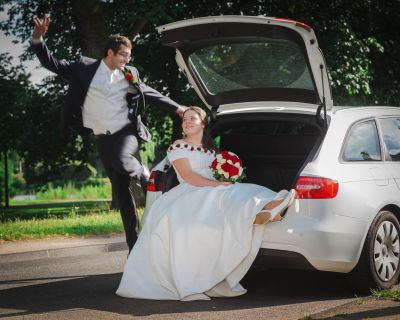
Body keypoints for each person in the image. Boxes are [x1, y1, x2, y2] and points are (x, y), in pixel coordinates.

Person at [30, 16, 186, 253]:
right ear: (110, 53)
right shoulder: (83, 68)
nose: (127, 59)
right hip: (103, 137)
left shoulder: (130, 72)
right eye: (124, 54)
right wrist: (38, 37)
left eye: (129, 55)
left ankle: (150, 179)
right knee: (122, 193)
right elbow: (52, 63)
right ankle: (135, 247)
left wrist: (178, 108)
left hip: (127, 132)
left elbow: (149, 92)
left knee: (122, 160)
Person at [116, 106, 295, 300]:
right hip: (190, 192)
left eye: (192, 118)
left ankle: (267, 208)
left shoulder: (211, 151)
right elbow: (188, 175)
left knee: (241, 190)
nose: (187, 122)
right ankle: (266, 209)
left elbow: (217, 174)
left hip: (211, 189)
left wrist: (223, 181)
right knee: (230, 194)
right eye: (185, 119)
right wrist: (216, 184)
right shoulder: (178, 145)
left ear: (203, 123)